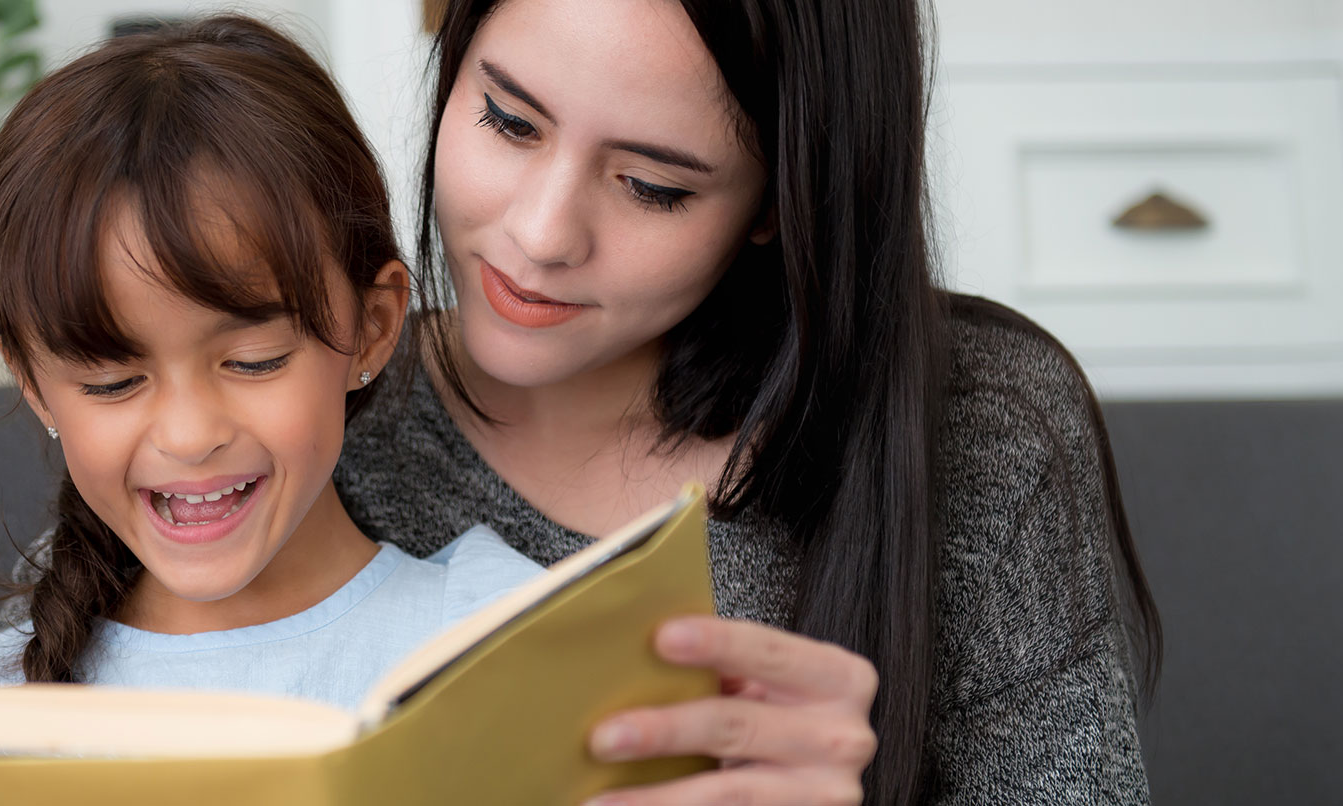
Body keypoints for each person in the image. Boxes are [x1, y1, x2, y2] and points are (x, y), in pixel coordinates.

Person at [330, 0, 1162, 803]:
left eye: (652, 185)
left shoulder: (979, 426)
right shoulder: (307, 407)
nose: (542, 236)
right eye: (510, 121)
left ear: (778, 197)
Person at [0, 15, 559, 805]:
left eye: (254, 361)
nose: (191, 437)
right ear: (33, 382)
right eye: (113, 383)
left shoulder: (493, 635)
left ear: (373, 327)